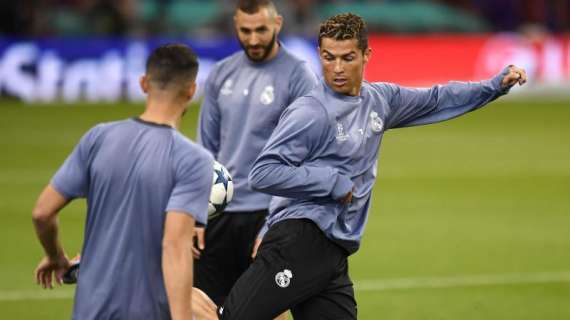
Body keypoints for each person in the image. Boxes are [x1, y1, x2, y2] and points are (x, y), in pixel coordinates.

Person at [219, 13, 528, 319]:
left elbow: (436, 99)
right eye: (329, 58)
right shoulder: (311, 112)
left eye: (347, 57)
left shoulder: (380, 100)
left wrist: (493, 87)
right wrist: (331, 182)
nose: (337, 68)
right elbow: (264, 171)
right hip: (300, 239)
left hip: (334, 250)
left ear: (366, 55)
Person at [32, 44, 218, 320]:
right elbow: (175, 248)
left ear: (143, 83)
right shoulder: (193, 160)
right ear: (191, 91)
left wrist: (56, 256)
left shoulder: (98, 138)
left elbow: (42, 213)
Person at [195, 0, 318, 308]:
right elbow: (204, 151)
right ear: (235, 26)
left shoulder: (298, 77)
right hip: (221, 214)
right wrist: (196, 214)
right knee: (202, 305)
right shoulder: (221, 74)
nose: (252, 39)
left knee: (266, 309)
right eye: (245, 31)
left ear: (277, 23)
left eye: (261, 29)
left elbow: (305, 155)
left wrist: (274, 224)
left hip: (269, 212)